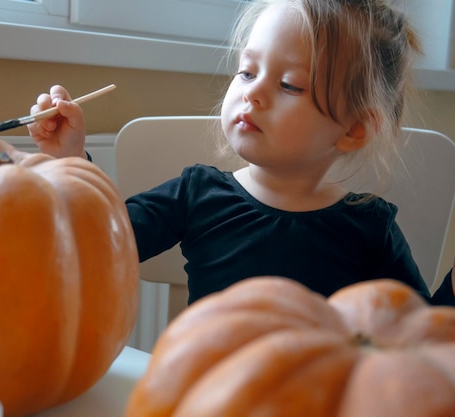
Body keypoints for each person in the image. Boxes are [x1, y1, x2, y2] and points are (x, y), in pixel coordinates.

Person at [27, 0, 455, 306]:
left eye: (289, 84)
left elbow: (417, 339)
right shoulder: (197, 194)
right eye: (247, 71)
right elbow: (103, 243)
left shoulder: (369, 227)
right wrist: (69, 158)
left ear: (354, 128)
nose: (253, 93)